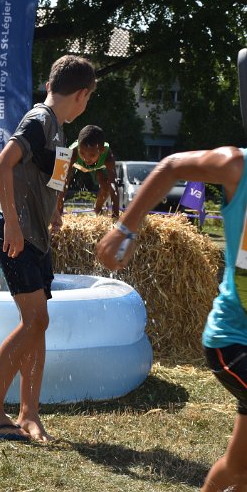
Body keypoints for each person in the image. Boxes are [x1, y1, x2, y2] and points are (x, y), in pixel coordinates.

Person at [96, 146, 247, 492]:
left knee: (238, 468)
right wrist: (124, 229)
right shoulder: (236, 166)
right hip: (233, 340)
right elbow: (170, 167)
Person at [0, 55, 96, 442]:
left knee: (38, 322)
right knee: (35, 321)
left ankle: (29, 414)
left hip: (37, 236)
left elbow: (51, 180)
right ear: (83, 95)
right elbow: (2, 165)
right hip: (16, 232)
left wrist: (54, 212)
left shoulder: (58, 131)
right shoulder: (40, 120)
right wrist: (12, 222)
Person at [61, 124, 119, 218]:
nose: (86, 158)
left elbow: (114, 186)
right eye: (82, 153)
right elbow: (61, 184)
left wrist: (115, 216)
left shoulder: (108, 156)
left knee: (106, 186)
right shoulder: (71, 153)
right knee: (62, 181)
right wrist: (58, 212)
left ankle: (97, 209)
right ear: (78, 147)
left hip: (98, 166)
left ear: (102, 150)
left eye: (92, 155)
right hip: (76, 162)